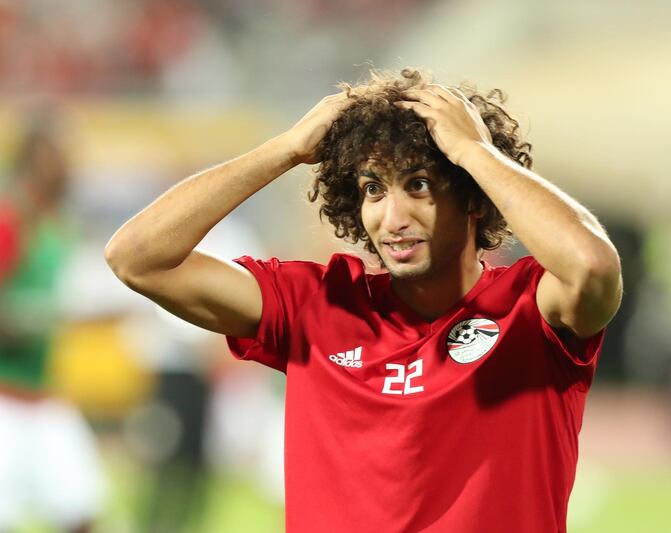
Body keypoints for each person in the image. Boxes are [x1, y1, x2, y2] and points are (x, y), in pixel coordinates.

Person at [105, 68, 622, 532]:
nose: (391, 218)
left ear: (473, 198)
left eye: (419, 184)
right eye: (373, 188)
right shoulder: (316, 303)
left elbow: (593, 265)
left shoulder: (530, 309)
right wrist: (285, 149)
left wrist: (473, 151)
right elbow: (136, 257)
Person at [0, 120, 105, 533]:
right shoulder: (12, 219)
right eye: (55, 153)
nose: (66, 163)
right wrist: (32, 320)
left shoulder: (58, 224)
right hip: (5, 396)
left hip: (44, 396)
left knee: (81, 511)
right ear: (31, 159)